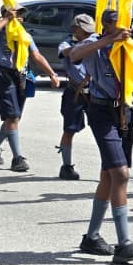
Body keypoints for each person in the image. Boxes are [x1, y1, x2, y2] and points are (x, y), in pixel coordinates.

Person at [65, 8, 133, 264]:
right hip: (101, 111)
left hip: (125, 112)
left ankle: (91, 236)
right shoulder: (95, 44)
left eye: (126, 24)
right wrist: (107, 41)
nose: (124, 28)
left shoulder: (131, 49)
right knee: (121, 174)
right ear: (106, 25)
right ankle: (124, 243)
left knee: (109, 175)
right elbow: (74, 54)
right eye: (117, 24)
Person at [0, 6, 61, 174]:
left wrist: (52, 74)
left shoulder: (23, 35)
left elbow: (37, 55)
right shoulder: (0, 32)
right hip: (4, 76)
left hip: (21, 77)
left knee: (14, 119)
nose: (20, 17)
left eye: (20, 14)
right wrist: (5, 20)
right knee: (12, 116)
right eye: (16, 14)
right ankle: (17, 158)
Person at [55, 14, 93, 181]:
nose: (87, 35)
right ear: (75, 29)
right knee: (69, 129)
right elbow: (67, 53)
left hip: (95, 92)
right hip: (75, 92)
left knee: (105, 129)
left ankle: (110, 164)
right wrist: (86, 45)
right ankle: (67, 165)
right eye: (84, 32)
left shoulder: (94, 42)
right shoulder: (66, 43)